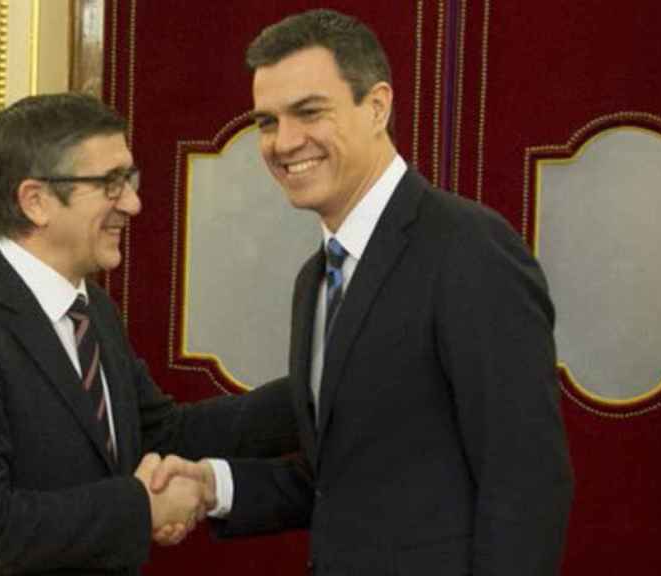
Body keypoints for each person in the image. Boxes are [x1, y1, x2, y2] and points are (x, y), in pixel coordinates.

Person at [153, 9, 574, 575]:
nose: (284, 142)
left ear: (377, 106)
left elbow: (525, 482)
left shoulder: (468, 249)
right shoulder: (316, 278)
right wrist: (213, 486)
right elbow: (343, 481)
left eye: (308, 113)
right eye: (267, 122)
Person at [0, 93, 297, 575]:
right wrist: (142, 507)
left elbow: (165, 434)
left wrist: (316, 395)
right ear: (36, 201)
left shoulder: (92, 309)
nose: (132, 203)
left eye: (128, 179)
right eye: (110, 183)